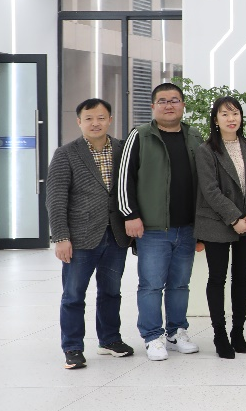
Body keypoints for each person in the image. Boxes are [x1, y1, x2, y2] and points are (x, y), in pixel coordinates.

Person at [118, 82, 203, 361]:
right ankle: (152, 336)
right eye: (163, 101)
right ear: (153, 106)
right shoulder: (140, 135)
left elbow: (204, 181)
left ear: (183, 105)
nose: (169, 105)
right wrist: (130, 214)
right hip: (152, 228)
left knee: (180, 285)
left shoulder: (194, 136)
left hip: (187, 227)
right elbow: (125, 178)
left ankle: (176, 332)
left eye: (174, 100)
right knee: (151, 285)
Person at [47, 98, 132, 369]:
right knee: (74, 295)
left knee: (111, 292)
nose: (95, 123)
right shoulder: (66, 153)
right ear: (79, 122)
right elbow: (56, 198)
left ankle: (110, 340)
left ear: (110, 119)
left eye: (101, 118)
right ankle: (72, 347)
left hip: (116, 234)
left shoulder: (122, 149)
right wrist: (61, 237)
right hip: (80, 237)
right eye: (89, 118)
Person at [194, 96, 246, 359]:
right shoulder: (206, 150)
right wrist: (234, 219)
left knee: (241, 278)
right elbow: (210, 190)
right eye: (225, 114)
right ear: (215, 119)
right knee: (217, 278)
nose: (231, 119)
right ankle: (219, 334)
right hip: (217, 222)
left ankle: (238, 332)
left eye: (235, 113)